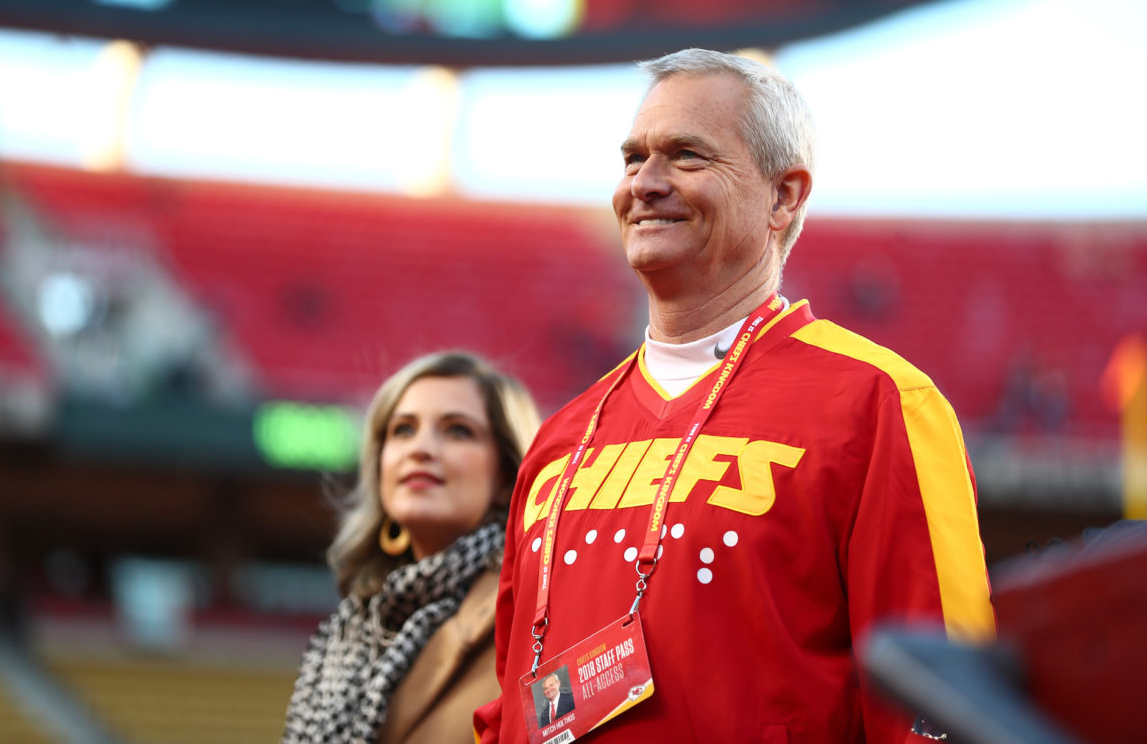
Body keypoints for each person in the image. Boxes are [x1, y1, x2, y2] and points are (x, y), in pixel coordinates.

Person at [474, 48, 995, 743]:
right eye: (633, 159)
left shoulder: (878, 403)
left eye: (686, 156)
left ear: (784, 195)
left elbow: (946, 705)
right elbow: (511, 702)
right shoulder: (559, 440)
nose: (645, 183)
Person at [283, 350, 541, 743]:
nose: (420, 448)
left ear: (507, 475)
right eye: (402, 429)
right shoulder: (349, 632)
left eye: (458, 430)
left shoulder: (534, 611)